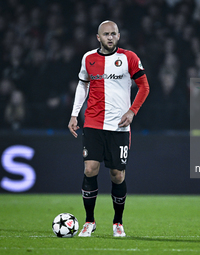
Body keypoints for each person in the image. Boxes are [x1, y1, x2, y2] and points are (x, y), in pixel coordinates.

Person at [68, 20, 149, 237]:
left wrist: (132, 111)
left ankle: (117, 222)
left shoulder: (128, 58)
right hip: (93, 123)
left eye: (114, 34)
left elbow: (144, 86)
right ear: (98, 37)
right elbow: (82, 84)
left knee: (117, 175)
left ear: (119, 36)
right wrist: (75, 113)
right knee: (89, 169)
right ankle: (89, 221)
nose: (110, 37)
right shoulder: (88, 58)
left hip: (119, 127)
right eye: (106, 34)